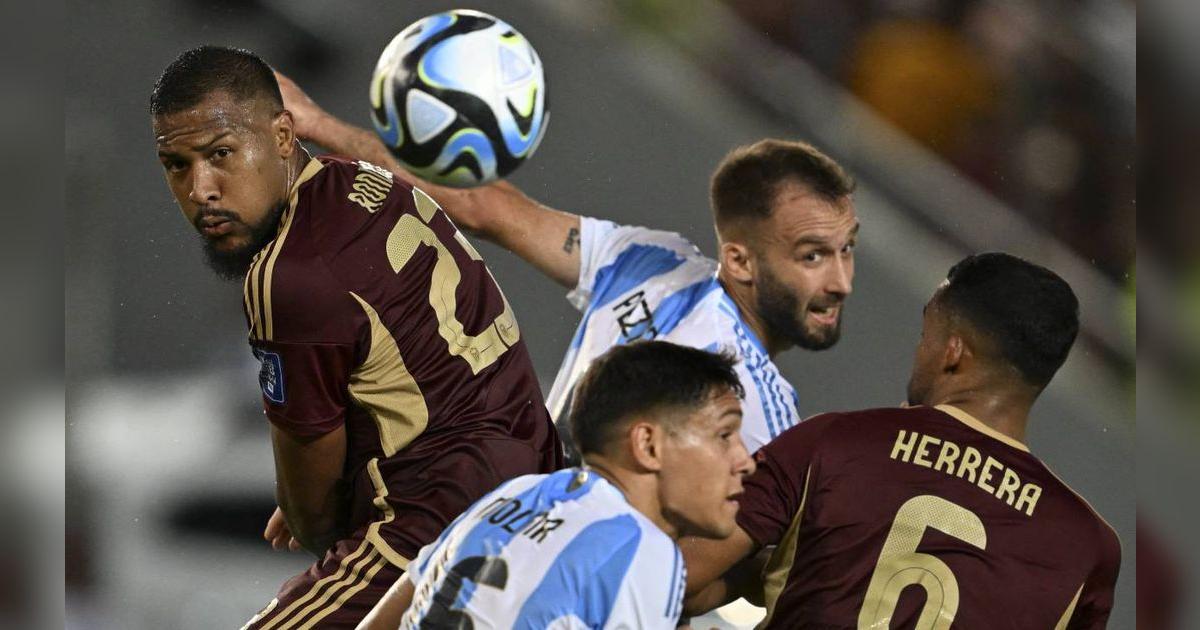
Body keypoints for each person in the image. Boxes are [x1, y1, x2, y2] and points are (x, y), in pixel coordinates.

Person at [150, 46, 562, 629]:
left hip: (434, 531)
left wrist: (315, 506)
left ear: (284, 137)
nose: (202, 189)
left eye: (221, 154)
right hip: (537, 490)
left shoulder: (288, 275)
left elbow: (312, 512)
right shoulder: (364, 181)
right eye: (176, 165)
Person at [274, 73, 860, 461]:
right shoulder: (766, 413)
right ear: (740, 259)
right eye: (813, 256)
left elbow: (483, 205)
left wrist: (319, 124)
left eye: (847, 249)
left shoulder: (650, 263)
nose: (841, 282)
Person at [680, 252, 1122, 628]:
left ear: (953, 352)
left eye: (925, 336)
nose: (918, 353)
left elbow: (677, 579)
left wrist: (758, 575)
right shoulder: (1086, 549)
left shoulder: (835, 443)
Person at [354, 340, 755, 629]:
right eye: (724, 436)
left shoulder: (515, 494)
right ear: (648, 445)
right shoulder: (642, 550)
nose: (745, 461)